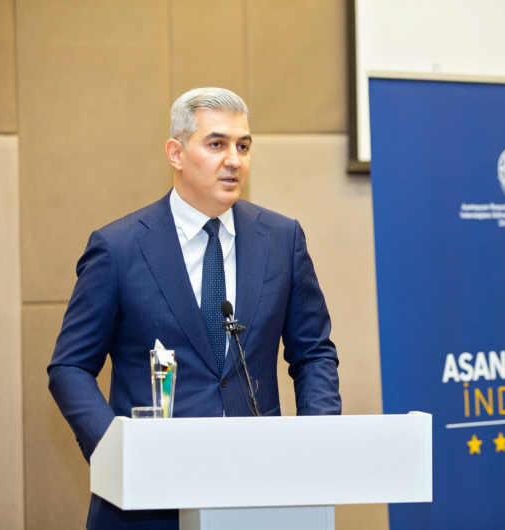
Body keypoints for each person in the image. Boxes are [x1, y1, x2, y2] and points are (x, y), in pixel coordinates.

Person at [47, 87, 341, 529]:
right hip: (148, 502)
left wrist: (317, 446)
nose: (234, 159)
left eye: (243, 146)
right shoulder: (118, 248)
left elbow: (314, 352)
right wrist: (115, 454)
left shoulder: (283, 239)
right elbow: (70, 366)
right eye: (217, 144)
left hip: (260, 492)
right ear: (176, 154)